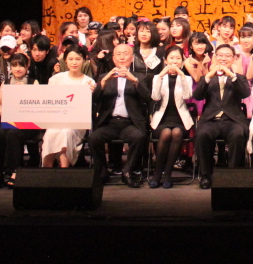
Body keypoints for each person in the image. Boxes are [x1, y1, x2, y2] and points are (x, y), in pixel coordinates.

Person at [89, 44, 149, 188]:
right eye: (119, 54)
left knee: (139, 137)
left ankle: (128, 171)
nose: (122, 57)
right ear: (113, 59)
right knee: (93, 138)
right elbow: (94, 99)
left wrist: (134, 80)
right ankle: (102, 171)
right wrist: (103, 82)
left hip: (130, 123)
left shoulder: (140, 77)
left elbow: (148, 98)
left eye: (125, 54)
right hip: (109, 123)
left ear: (132, 58)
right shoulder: (104, 77)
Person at [194, 43, 251, 188]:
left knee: (238, 134)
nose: (223, 58)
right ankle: (205, 175)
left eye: (227, 56)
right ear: (215, 57)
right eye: (220, 55)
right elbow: (198, 96)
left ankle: (233, 175)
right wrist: (208, 76)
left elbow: (245, 93)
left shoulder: (239, 78)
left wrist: (232, 75)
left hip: (232, 120)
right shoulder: (207, 78)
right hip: (211, 120)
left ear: (233, 59)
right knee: (202, 135)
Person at [41, 44, 96, 169]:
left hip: (77, 122)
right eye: (71, 59)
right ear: (65, 60)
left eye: (78, 59)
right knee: (50, 134)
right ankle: (46, 170)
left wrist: (93, 93)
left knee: (66, 133)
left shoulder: (88, 82)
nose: (74, 62)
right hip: (57, 120)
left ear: (84, 60)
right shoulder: (55, 79)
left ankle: (64, 170)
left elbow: (87, 108)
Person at [0, 53, 37, 188]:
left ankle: (15, 170)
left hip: (27, 123)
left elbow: (36, 104)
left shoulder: (33, 82)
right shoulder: (6, 83)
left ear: (27, 67)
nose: (18, 69)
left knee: (12, 134)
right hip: (9, 120)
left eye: (21, 65)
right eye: (14, 66)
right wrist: (0, 110)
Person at [150, 46, 194, 188]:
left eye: (178, 58)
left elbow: (187, 96)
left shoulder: (187, 78)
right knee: (166, 133)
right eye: (171, 58)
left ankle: (168, 173)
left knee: (176, 133)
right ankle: (158, 172)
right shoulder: (158, 77)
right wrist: (161, 76)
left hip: (180, 119)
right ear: (165, 60)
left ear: (182, 61)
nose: (174, 61)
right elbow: (155, 97)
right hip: (162, 119)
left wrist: (182, 76)